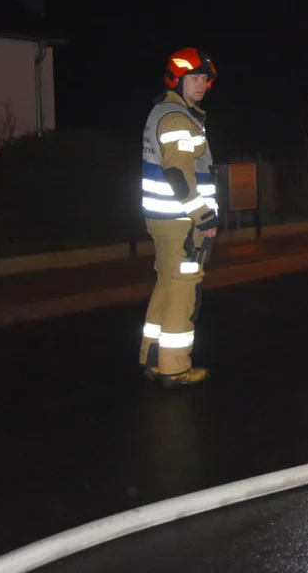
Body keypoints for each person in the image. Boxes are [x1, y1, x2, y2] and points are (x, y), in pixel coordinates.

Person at [138, 48, 220, 387]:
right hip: (182, 223)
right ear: (177, 79)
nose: (201, 84)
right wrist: (203, 216)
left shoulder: (166, 112)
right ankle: (174, 368)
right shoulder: (176, 118)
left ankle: (152, 356)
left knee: (166, 286)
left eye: (205, 79)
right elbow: (177, 172)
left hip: (165, 220)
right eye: (195, 78)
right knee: (184, 293)